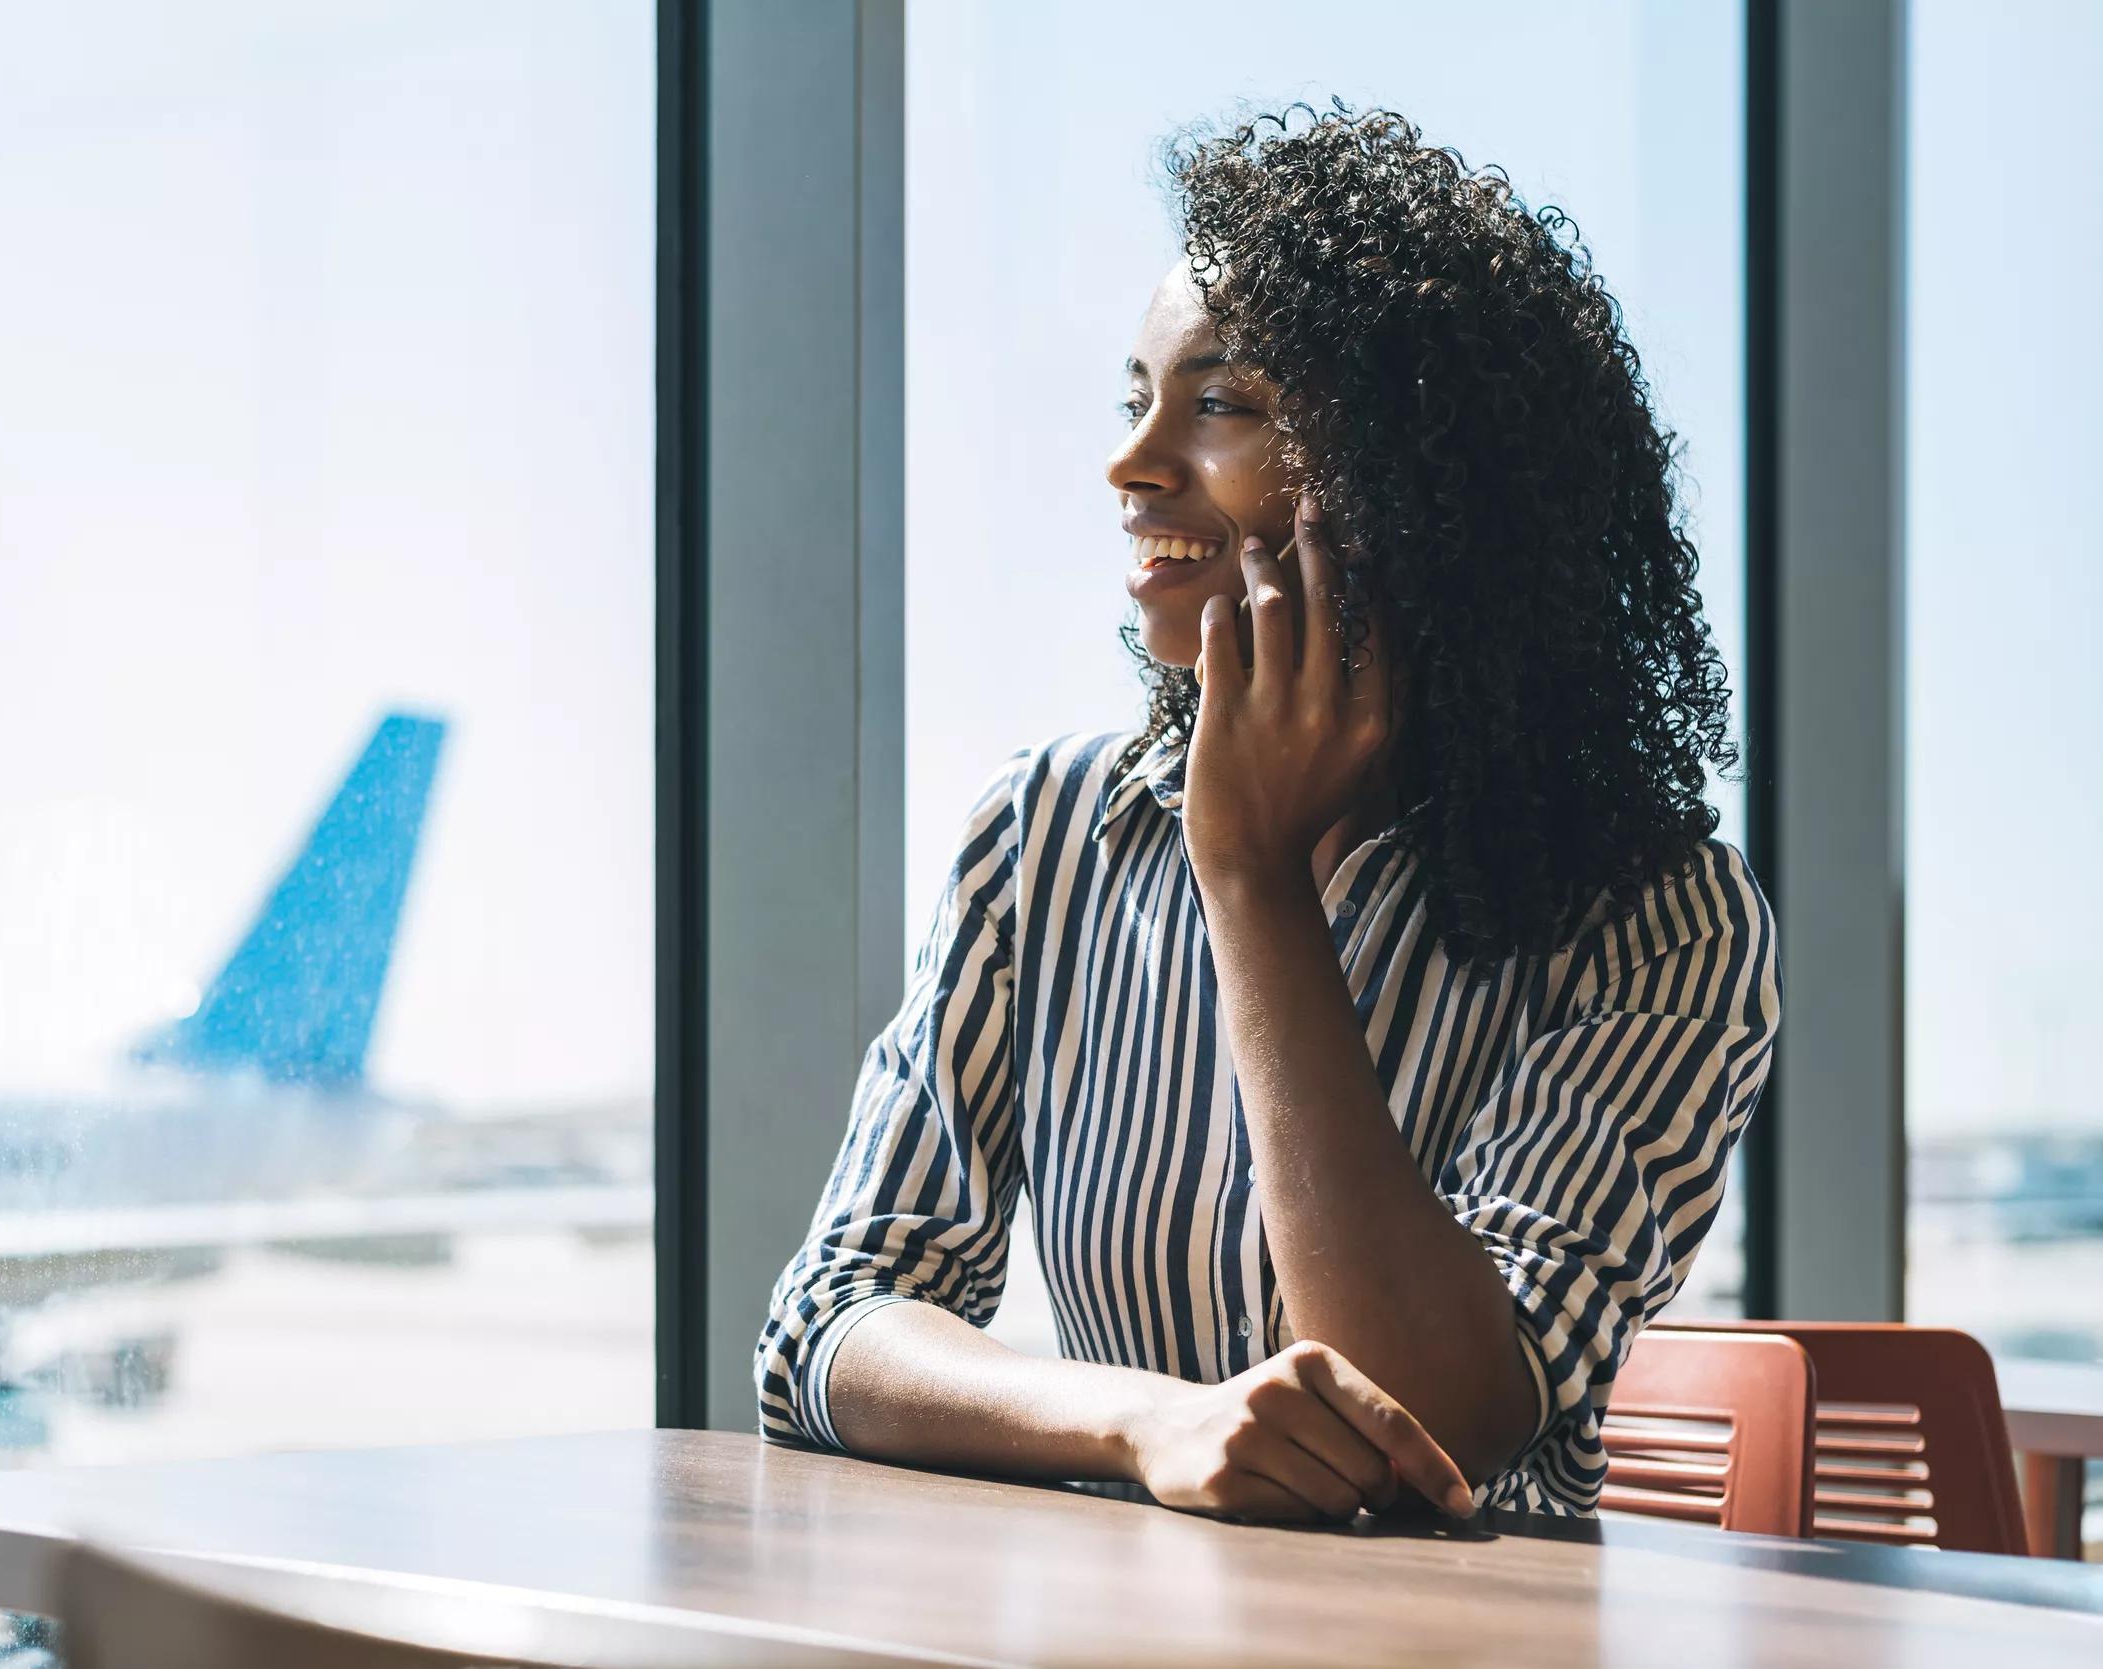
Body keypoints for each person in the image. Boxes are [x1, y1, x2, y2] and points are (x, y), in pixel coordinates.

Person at [753, 101, 1780, 1522]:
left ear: (1421, 477)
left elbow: (1428, 1412)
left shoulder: (1663, 921)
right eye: (1137, 400)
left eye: (1221, 404)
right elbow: (834, 1316)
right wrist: (1144, 1421)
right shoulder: (1047, 835)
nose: (1133, 464)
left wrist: (1250, 875)